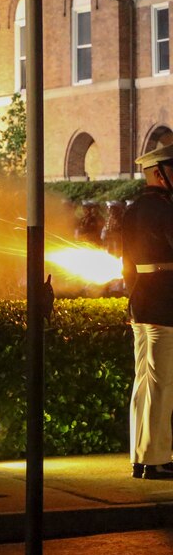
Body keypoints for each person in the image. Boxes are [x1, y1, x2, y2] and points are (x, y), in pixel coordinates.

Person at [122, 143, 173, 480]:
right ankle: (153, 459)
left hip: (143, 299)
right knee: (161, 384)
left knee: (145, 381)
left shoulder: (135, 207)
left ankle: (143, 456)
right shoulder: (163, 208)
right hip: (163, 301)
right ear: (160, 173)